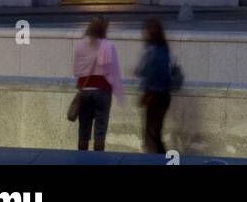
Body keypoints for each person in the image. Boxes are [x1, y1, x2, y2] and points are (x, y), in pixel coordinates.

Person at [72, 17, 124, 152]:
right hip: (103, 90)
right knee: (100, 130)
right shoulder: (108, 46)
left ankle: (82, 158)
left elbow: (76, 70)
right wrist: (119, 93)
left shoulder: (80, 45)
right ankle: (98, 160)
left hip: (85, 90)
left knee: (84, 129)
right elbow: (113, 71)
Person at [135, 18, 174, 155]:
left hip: (154, 96)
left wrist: (147, 94)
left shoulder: (151, 51)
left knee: (151, 136)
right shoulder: (165, 49)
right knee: (156, 134)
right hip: (164, 96)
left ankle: (158, 160)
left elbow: (145, 72)